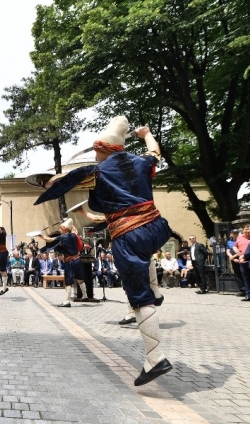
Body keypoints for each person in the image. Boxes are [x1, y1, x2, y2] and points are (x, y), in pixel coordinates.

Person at [35, 116, 173, 386]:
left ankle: (155, 358)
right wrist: (146, 133)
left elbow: (62, 183)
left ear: (104, 149)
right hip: (157, 227)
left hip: (129, 235)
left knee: (139, 299)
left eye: (96, 150)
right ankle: (155, 291)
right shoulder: (142, 162)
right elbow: (156, 152)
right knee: (146, 262)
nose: (95, 155)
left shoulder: (97, 171)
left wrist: (48, 184)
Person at [39, 219, 87, 307]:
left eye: (61, 228)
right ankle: (85, 295)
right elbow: (74, 229)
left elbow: (50, 240)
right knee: (80, 279)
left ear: (64, 229)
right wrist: (69, 221)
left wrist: (41, 235)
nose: (60, 230)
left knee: (68, 281)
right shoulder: (74, 235)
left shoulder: (63, 237)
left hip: (70, 261)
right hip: (77, 260)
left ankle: (67, 301)